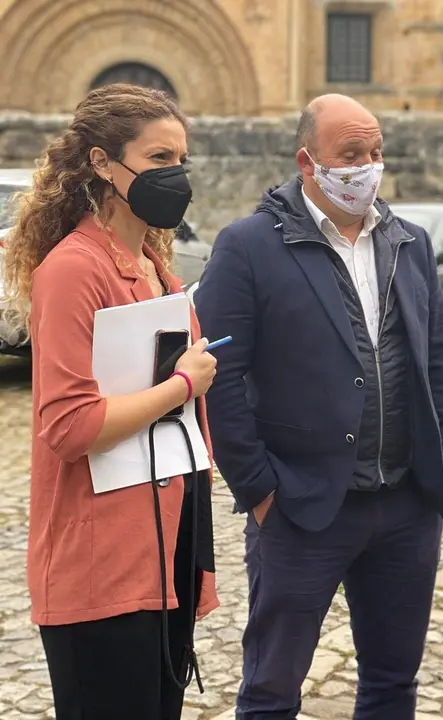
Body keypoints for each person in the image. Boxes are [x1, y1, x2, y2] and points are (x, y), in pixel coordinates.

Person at [194, 93, 443, 720]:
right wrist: (260, 489)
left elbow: (441, 360)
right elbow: (220, 377)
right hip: (300, 510)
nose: (367, 167)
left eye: (375, 153)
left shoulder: (408, 242)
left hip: (405, 507)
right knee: (271, 692)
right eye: (350, 155)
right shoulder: (249, 247)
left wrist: (441, 460)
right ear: (308, 162)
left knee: (394, 685)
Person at [1, 83, 220, 720]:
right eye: (158, 160)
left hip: (164, 548)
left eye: (181, 161)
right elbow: (69, 427)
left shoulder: (157, 265)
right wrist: (182, 385)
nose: (175, 176)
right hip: (103, 568)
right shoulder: (74, 269)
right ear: (102, 164)